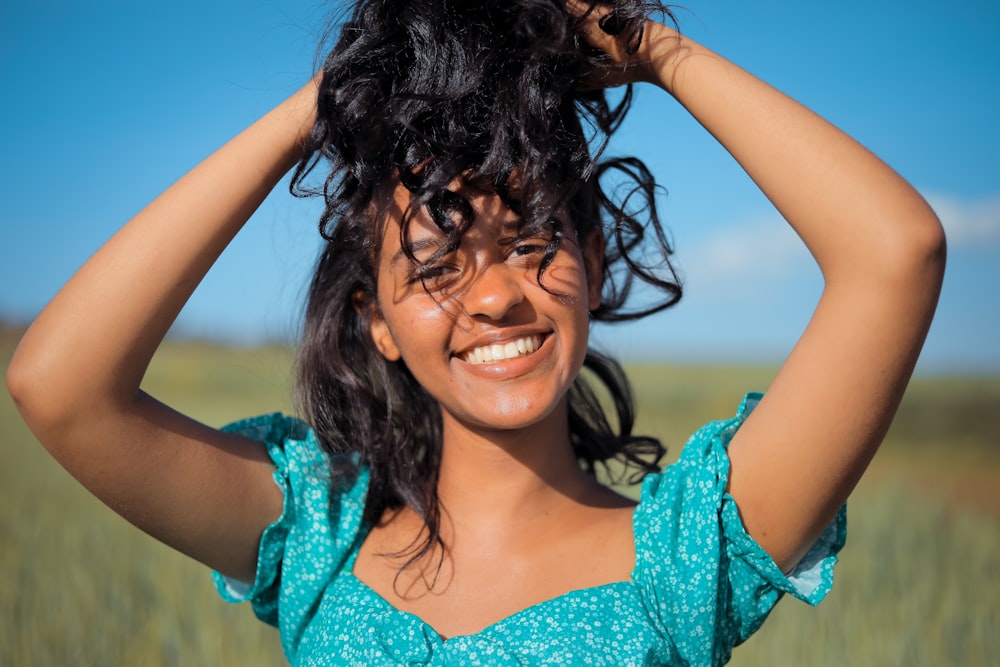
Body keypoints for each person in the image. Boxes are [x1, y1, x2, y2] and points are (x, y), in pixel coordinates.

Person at [6, 1, 944, 665]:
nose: (495, 299)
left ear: (597, 268)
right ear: (376, 321)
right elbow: (60, 384)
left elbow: (895, 252)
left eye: (535, 241)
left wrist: (650, 48)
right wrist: (326, 105)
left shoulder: (684, 558)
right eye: (436, 265)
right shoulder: (318, 541)